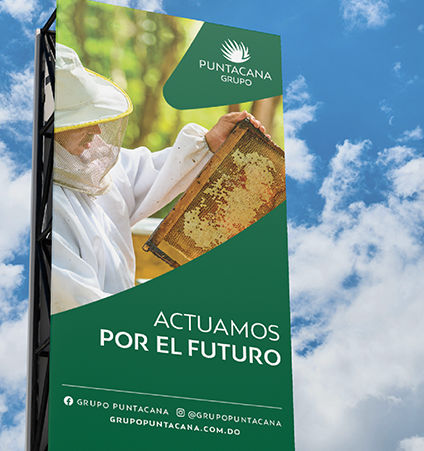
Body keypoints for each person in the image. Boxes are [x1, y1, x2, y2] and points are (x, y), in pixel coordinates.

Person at [50, 43, 266, 314]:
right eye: (80, 123)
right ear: (48, 128)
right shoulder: (42, 211)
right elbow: (75, 305)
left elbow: (146, 171)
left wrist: (209, 144)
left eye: (92, 117)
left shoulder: (86, 166)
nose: (95, 130)